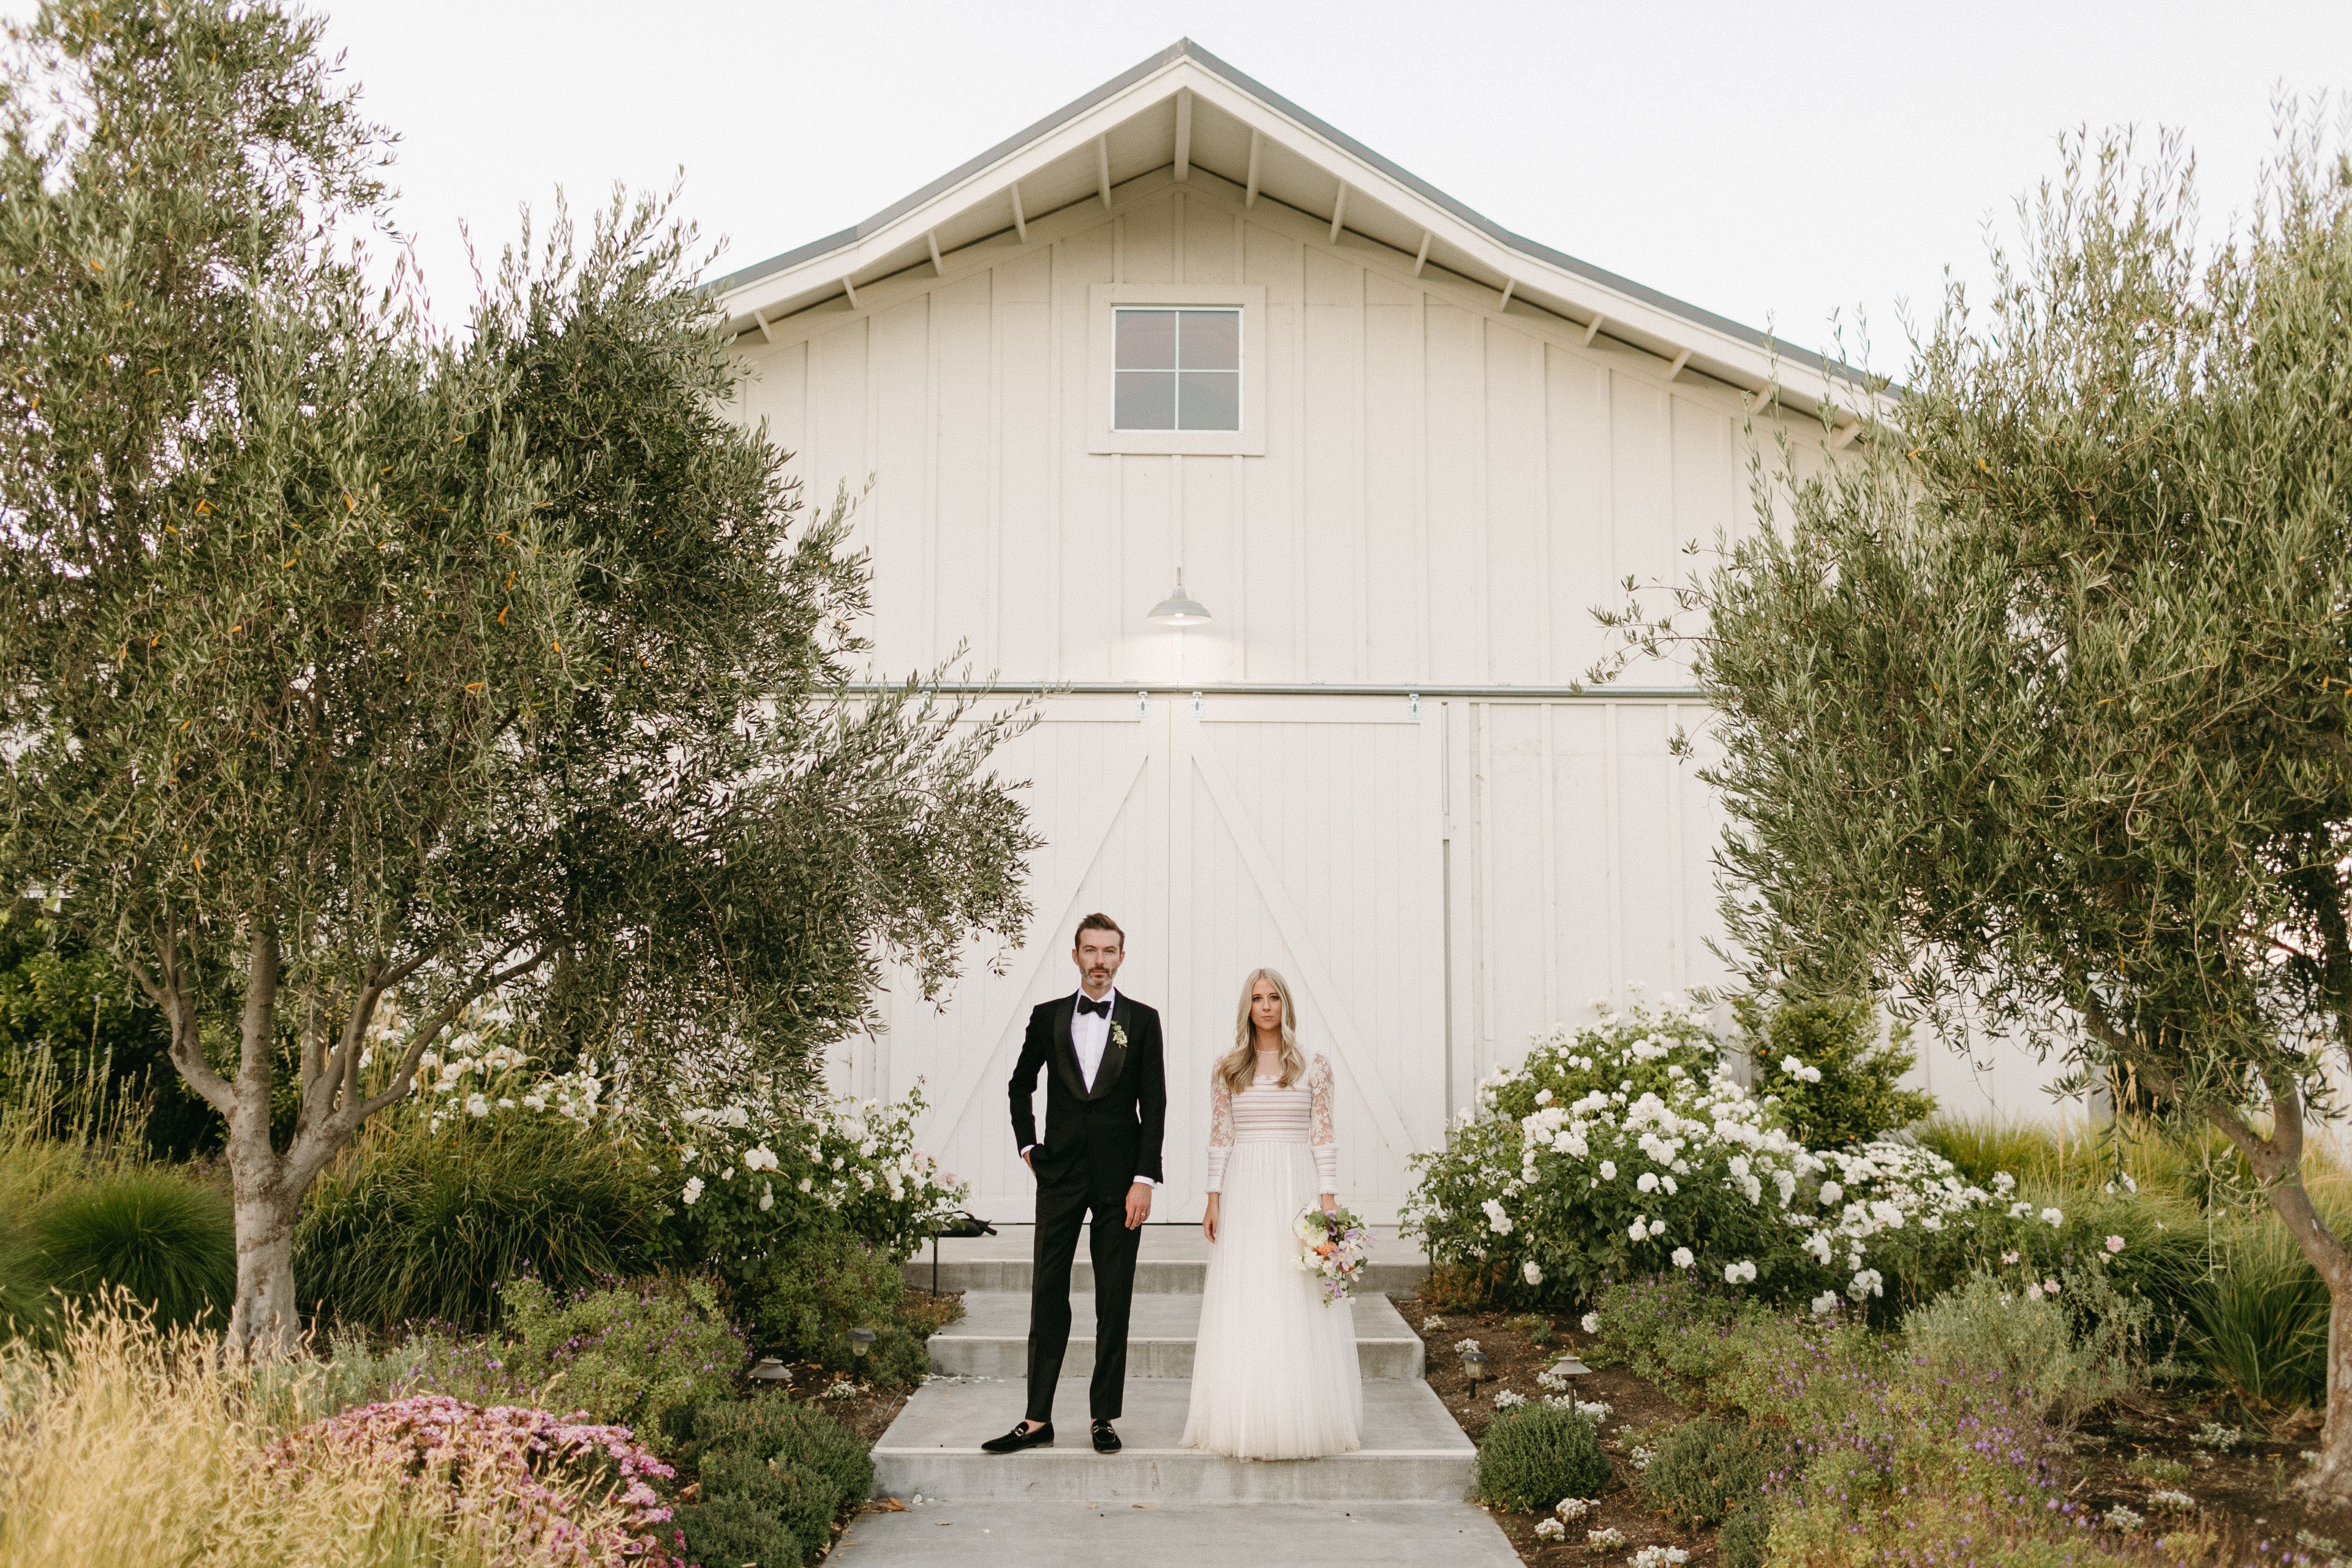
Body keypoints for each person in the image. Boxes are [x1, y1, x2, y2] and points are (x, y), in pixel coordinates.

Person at [981, 913, 1167, 1457]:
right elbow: (1020, 1085)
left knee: (1114, 1297)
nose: (1100, 961)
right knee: (1047, 1294)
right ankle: (1037, 1418)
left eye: (1110, 951)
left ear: (1121, 958)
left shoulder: (1144, 1021)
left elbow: (1153, 1104)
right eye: (1091, 950)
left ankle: (1103, 1415)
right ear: (1076, 955)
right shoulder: (1048, 1018)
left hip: (1120, 1179)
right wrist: (1028, 1145)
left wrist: (1144, 1178)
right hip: (1059, 1175)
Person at [1181, 967, 1363, 1458]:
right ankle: (1245, 1416)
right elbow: (1221, 1135)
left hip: (1295, 1185)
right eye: (1257, 998)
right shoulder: (1227, 1067)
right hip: (1245, 1187)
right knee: (1249, 1294)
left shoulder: (1314, 1066)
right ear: (1247, 1007)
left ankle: (1301, 1415)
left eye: (1274, 998)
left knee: (1294, 1296)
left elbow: (1323, 1133)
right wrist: (1213, 1196)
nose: (1265, 1006)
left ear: (1286, 1005)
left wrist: (1328, 1201)